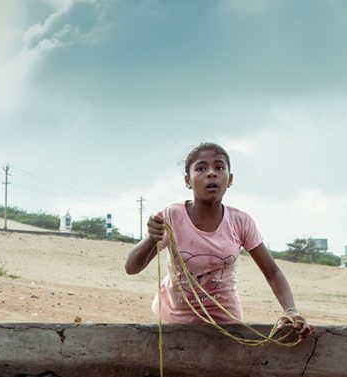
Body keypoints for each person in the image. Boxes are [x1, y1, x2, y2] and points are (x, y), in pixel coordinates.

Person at [125, 142, 313, 338]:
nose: (211, 173)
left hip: (225, 322)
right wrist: (150, 239)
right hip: (175, 321)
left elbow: (273, 273)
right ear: (187, 181)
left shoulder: (240, 221)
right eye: (201, 168)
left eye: (219, 167)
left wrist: (291, 310)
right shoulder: (172, 216)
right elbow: (131, 268)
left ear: (230, 179)